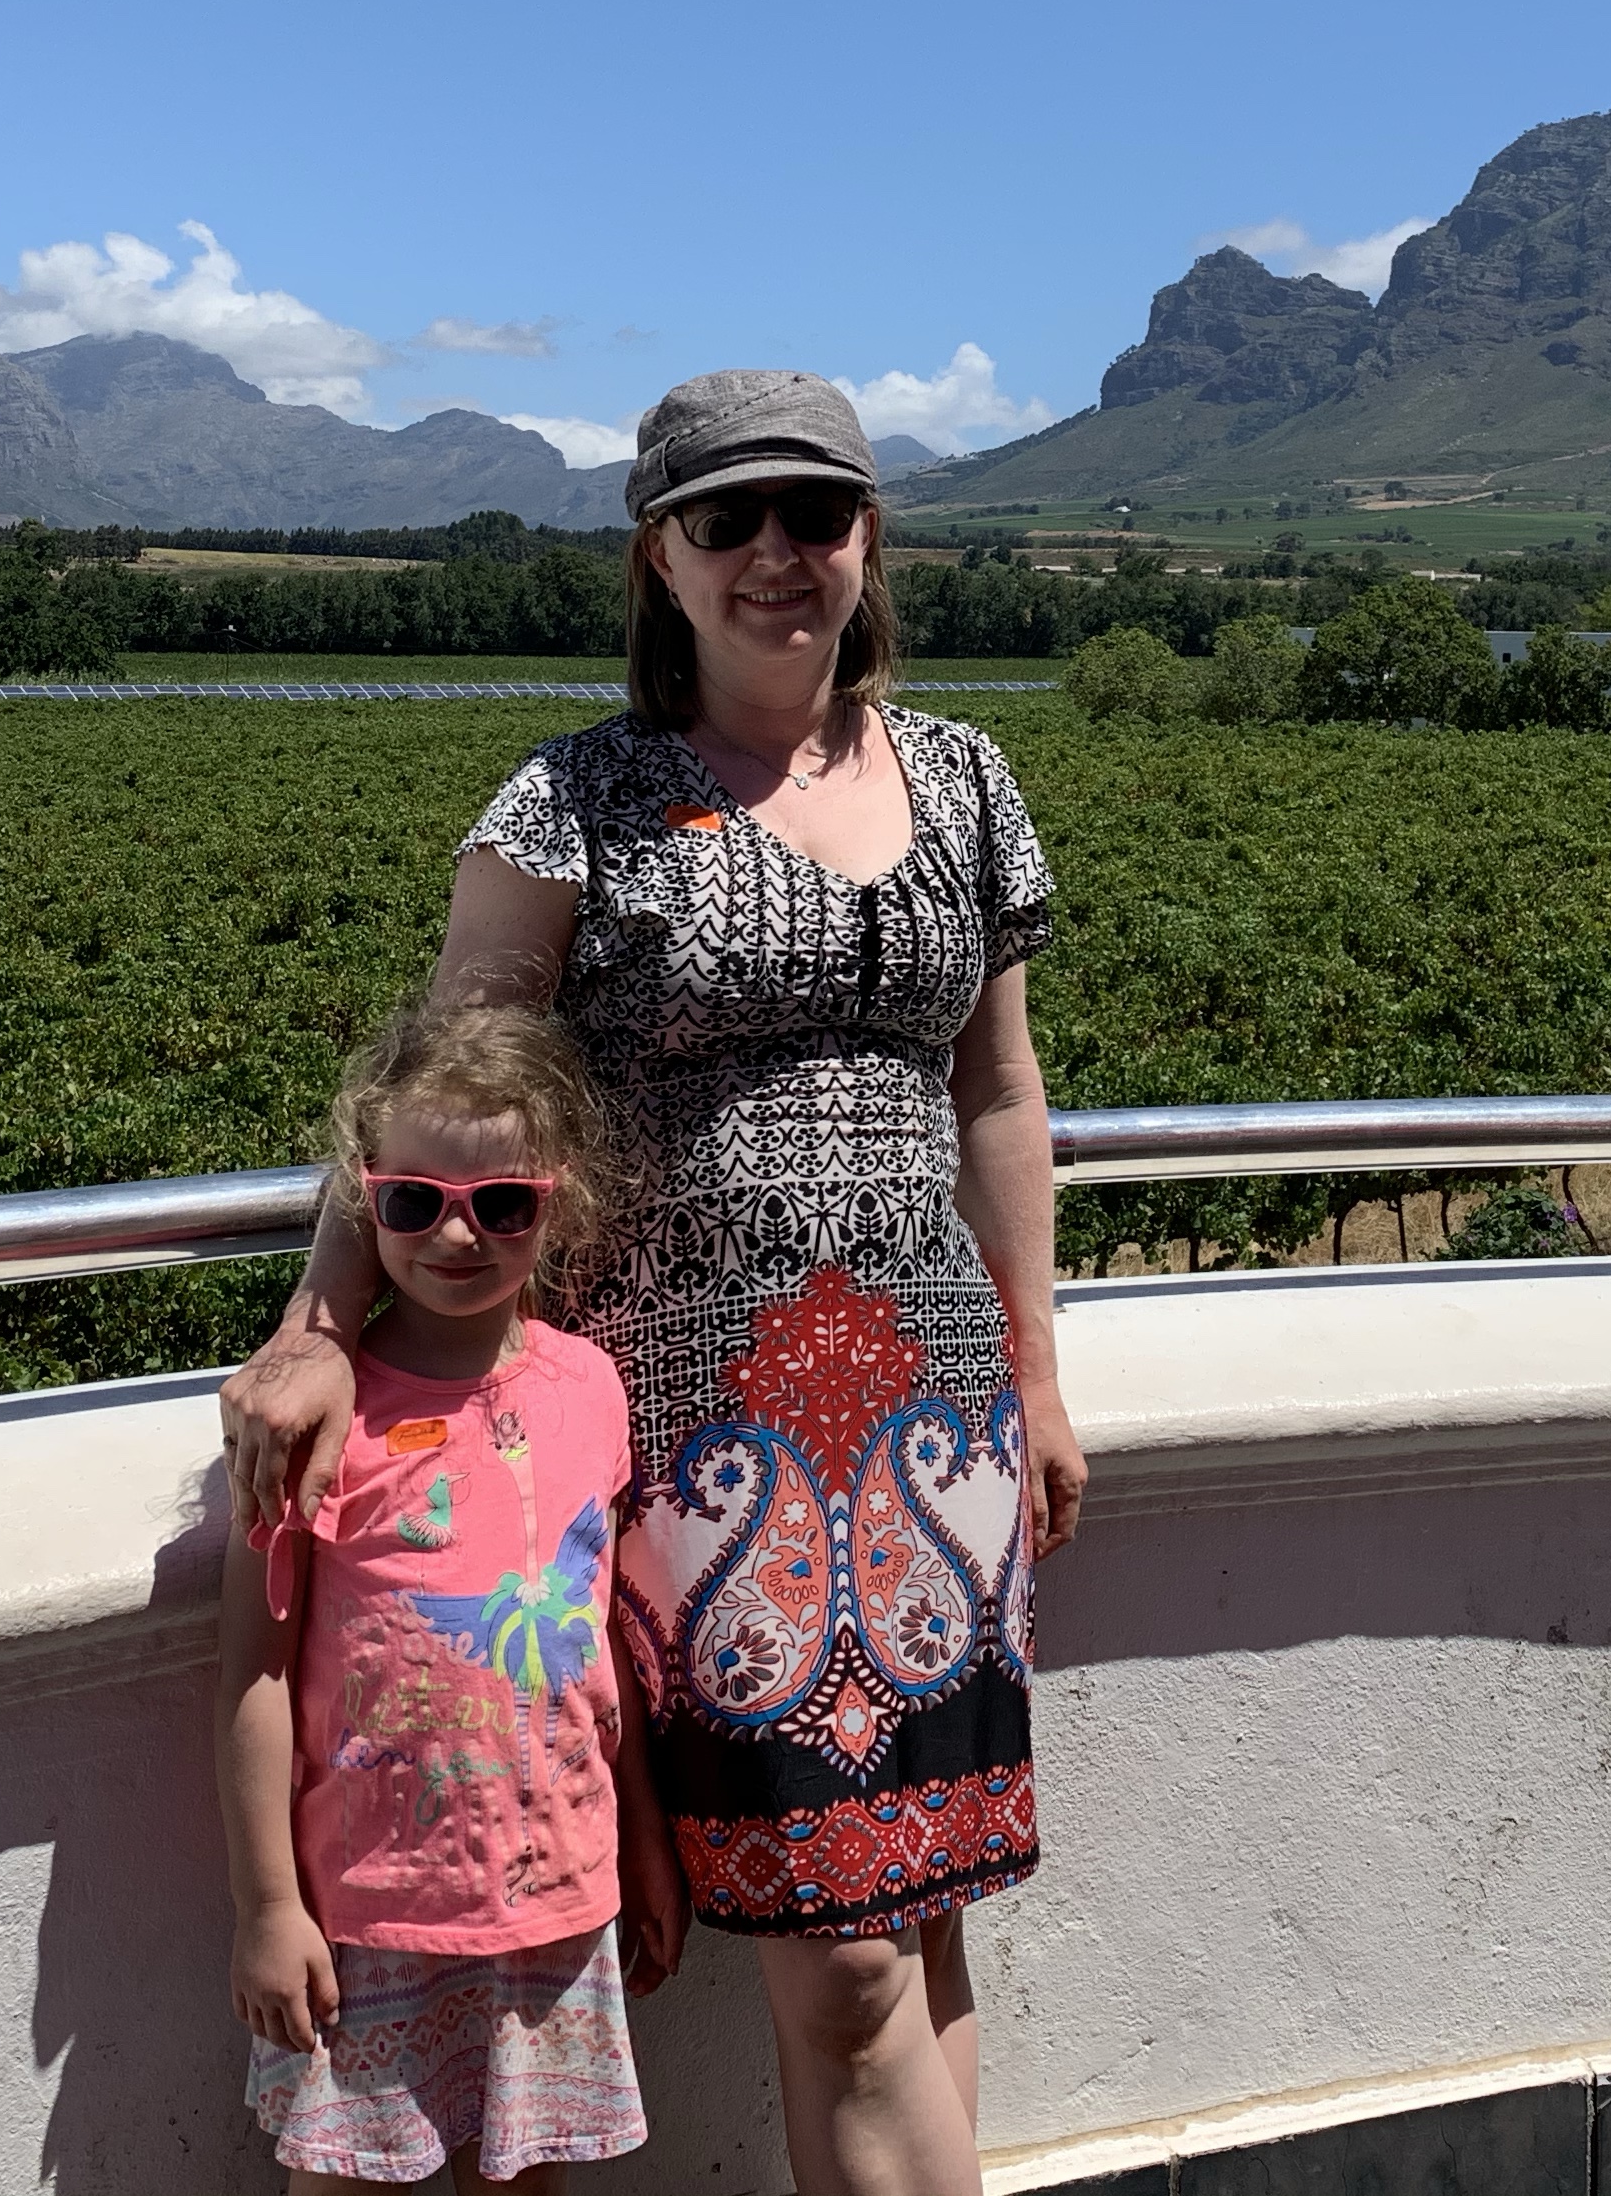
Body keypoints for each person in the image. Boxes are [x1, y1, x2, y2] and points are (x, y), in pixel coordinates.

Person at [224, 368, 1085, 2196]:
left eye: (816, 512)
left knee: (918, 1907)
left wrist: (1038, 1373)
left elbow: (999, 1094)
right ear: (661, 559)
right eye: (727, 518)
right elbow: (437, 1090)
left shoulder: (967, 778)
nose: (778, 550)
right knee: (843, 1959)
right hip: (701, 1434)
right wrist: (317, 1328)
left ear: (868, 541)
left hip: (938, 1420)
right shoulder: (576, 799)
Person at [216, 998, 688, 2190]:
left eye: (504, 1203)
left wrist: (642, 1844)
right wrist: (268, 1907)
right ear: (365, 1199)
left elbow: (599, 1646)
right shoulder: (315, 1422)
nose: (458, 1234)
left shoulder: (591, 1388)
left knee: (528, 2179)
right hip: (367, 1909)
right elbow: (255, 1673)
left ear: (557, 1200)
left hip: (555, 1892)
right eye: (414, 1202)